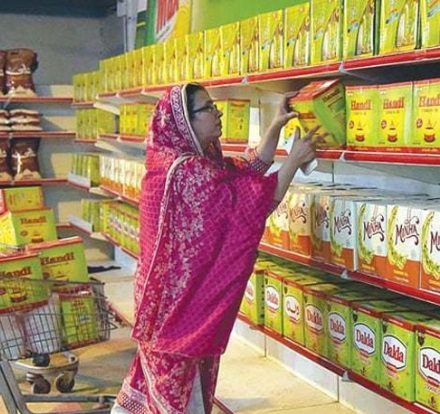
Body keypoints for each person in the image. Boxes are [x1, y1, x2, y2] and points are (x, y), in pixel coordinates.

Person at [112, 83, 319, 413]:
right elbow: (249, 205)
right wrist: (293, 161)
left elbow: (241, 174)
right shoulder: (186, 173)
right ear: (185, 121)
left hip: (169, 308)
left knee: (172, 385)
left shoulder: (176, 163)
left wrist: (275, 128)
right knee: (179, 393)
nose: (218, 112)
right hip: (178, 315)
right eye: (208, 108)